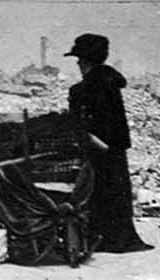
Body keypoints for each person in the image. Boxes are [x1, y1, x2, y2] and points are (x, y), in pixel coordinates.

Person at [65, 33, 153, 254]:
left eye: (79, 59)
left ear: (85, 61)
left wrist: (90, 141)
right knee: (119, 193)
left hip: (95, 150)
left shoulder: (80, 90)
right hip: (116, 150)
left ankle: (101, 238)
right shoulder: (113, 83)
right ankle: (120, 238)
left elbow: (78, 126)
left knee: (97, 194)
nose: (77, 64)